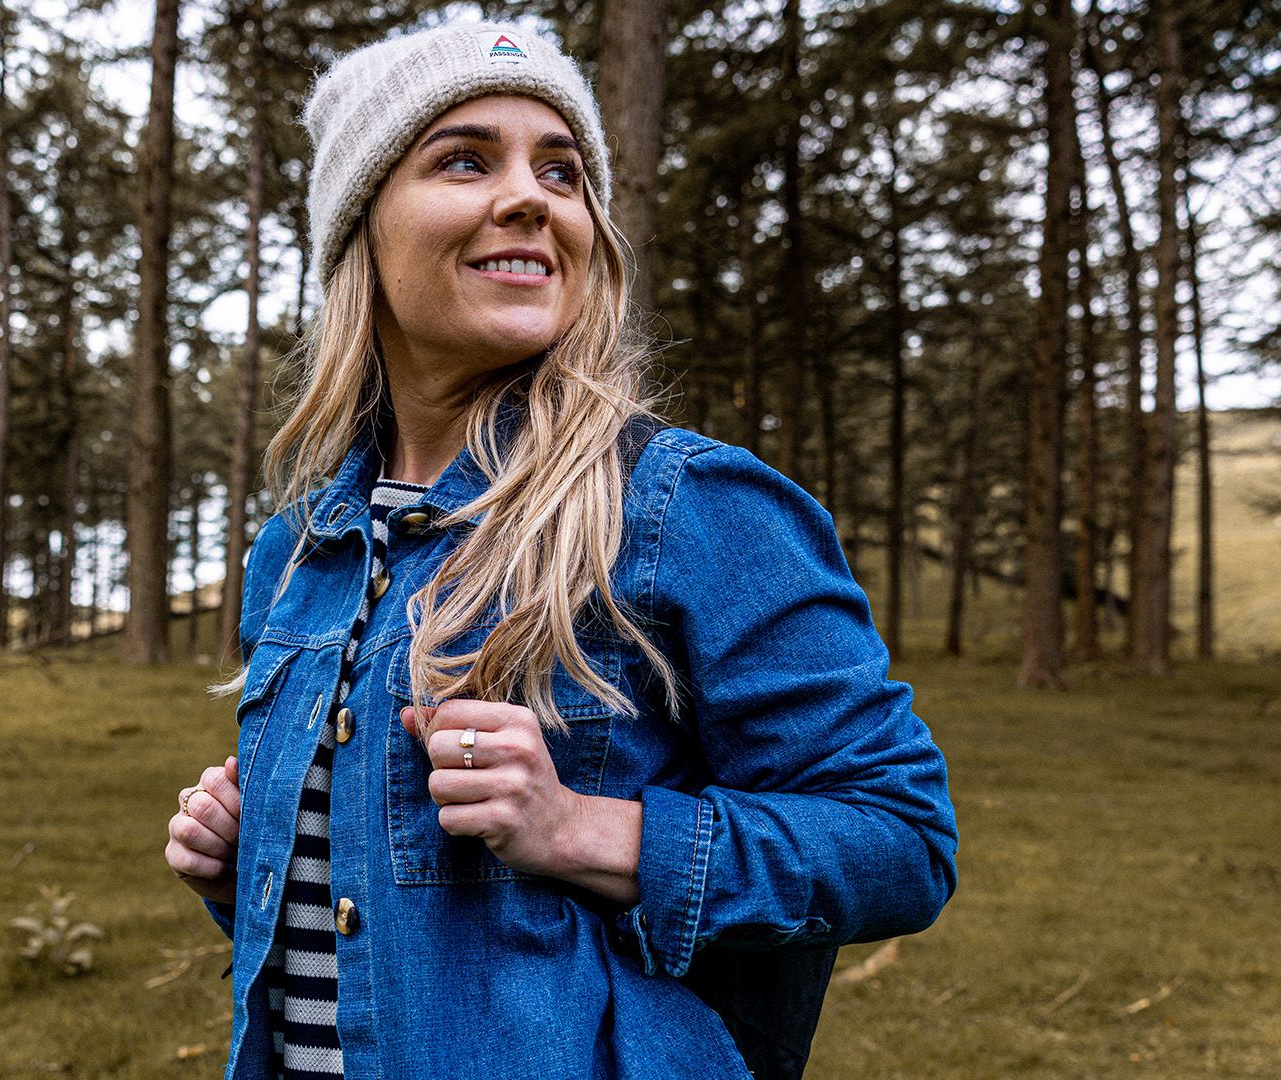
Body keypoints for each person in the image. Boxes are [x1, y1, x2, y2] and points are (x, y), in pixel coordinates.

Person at [163, 21, 958, 1080]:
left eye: (562, 170)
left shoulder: (684, 508)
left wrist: (584, 829)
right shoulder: (303, 549)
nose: (532, 197)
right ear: (361, 227)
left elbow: (900, 836)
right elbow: (394, 944)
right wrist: (251, 871)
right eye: (463, 159)